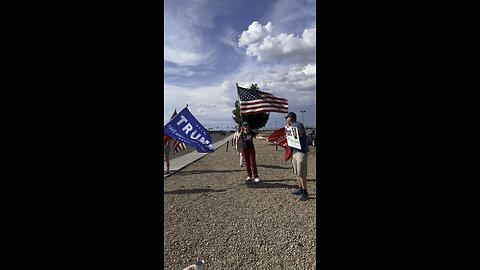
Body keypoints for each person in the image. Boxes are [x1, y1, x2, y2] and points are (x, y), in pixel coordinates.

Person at [286, 112, 309, 201]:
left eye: (287, 118)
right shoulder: (290, 127)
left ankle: (305, 192)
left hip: (300, 151)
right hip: (294, 151)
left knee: (301, 172)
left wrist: (291, 129)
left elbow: (300, 134)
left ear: (290, 118)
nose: (286, 120)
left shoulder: (299, 125)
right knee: (296, 172)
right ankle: (300, 188)